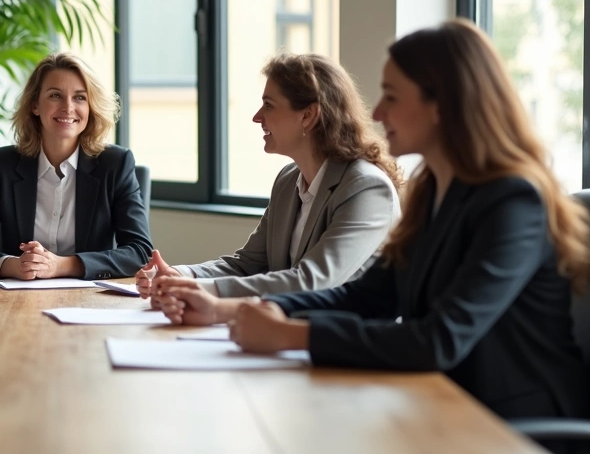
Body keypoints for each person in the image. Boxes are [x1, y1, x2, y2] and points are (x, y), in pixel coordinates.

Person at [157, 18, 590, 430]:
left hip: (516, 427)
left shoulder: (513, 201)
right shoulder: (433, 194)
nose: (379, 113)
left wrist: (292, 334)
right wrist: (222, 310)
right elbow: (368, 295)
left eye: (392, 96)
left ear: (440, 105)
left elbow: (438, 339)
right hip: (440, 405)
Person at [135, 53, 401, 308]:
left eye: (269, 105)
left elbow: (313, 281)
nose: (257, 117)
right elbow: (247, 264)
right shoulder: (288, 180)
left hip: (341, 347)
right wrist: (182, 276)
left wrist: (200, 291)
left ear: (307, 116)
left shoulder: (366, 188)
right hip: (287, 333)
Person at [0, 52, 152, 280]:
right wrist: (17, 266)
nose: (68, 108)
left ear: (91, 106)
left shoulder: (116, 164)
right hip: (16, 301)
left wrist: (61, 265)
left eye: (80, 97)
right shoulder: (0, 165)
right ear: (35, 105)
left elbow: (140, 252)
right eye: (55, 95)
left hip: (92, 301)